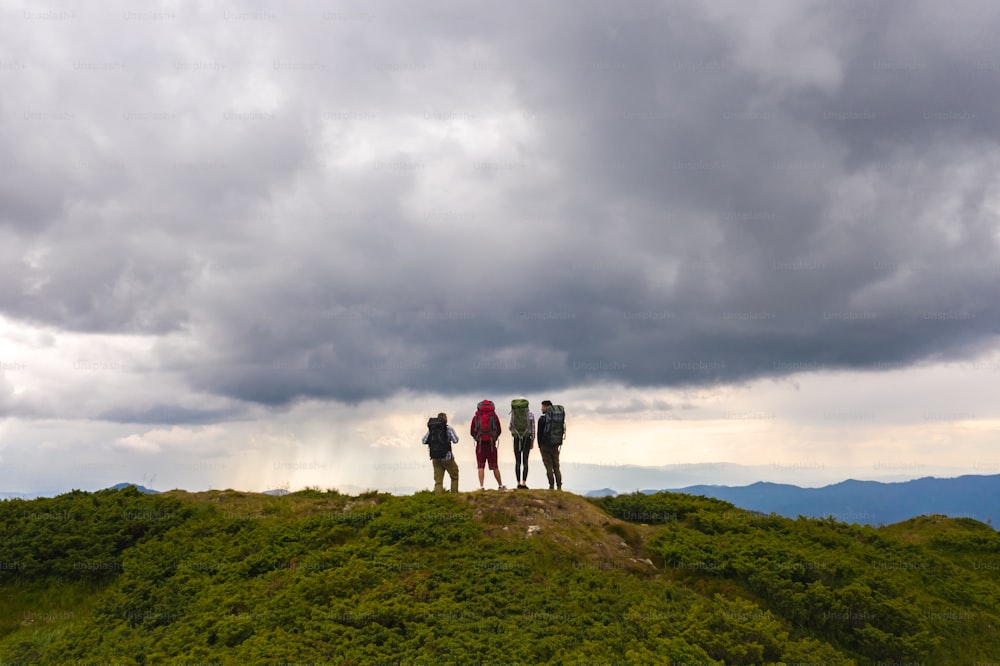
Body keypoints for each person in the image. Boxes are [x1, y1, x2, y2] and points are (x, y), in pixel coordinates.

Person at [471, 399, 505, 490]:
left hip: (480, 444)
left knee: (480, 465)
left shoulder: (476, 417)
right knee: (495, 465)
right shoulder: (494, 416)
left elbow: (472, 431)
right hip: (491, 444)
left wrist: (477, 438)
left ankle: (481, 487)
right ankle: (500, 485)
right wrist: (494, 438)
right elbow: (499, 429)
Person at [422, 413, 459, 493]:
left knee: (438, 481)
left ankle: (439, 500)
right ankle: (454, 496)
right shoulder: (449, 429)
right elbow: (455, 440)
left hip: (435, 458)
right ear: (446, 419)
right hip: (447, 457)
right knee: (454, 476)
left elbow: (424, 441)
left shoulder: (432, 430)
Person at [536, 400, 563, 490]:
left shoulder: (542, 419)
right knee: (556, 467)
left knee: (549, 467)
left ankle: (551, 486)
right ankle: (559, 486)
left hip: (545, 446)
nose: (541, 408)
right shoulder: (556, 418)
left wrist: (540, 446)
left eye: (543, 406)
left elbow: (539, 434)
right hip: (555, 445)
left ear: (547, 407)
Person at [509, 397, 535, 489]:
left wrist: (516, 433)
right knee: (525, 461)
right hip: (527, 439)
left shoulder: (514, 415)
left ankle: (518, 483)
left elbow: (510, 426)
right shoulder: (530, 415)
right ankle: (524, 483)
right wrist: (532, 442)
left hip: (517, 439)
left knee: (517, 461)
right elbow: (533, 430)